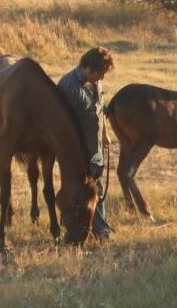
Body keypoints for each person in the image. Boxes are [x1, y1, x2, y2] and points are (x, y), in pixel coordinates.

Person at [57, 47, 114, 241]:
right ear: (89, 68)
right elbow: (62, 125)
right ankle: (100, 231)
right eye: (101, 73)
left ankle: (99, 226)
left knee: (98, 186)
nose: (102, 78)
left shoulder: (94, 83)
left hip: (96, 147)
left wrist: (105, 132)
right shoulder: (67, 86)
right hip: (78, 153)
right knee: (84, 191)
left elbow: (98, 109)